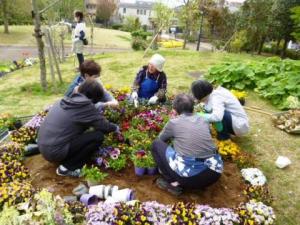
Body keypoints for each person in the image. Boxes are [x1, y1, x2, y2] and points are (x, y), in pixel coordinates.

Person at [38, 80, 119, 177]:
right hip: (55, 152)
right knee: (98, 136)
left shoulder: (63, 100)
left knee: (86, 132)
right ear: (94, 98)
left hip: (44, 147)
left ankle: (66, 158)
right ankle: (66, 168)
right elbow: (104, 126)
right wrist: (117, 128)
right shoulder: (85, 106)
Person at [151, 94, 223, 195]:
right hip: (215, 172)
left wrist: (173, 122)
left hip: (190, 178)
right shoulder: (203, 120)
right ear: (192, 107)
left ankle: (173, 184)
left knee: (156, 144)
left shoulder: (174, 123)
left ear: (175, 110)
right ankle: (197, 182)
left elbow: (161, 139)